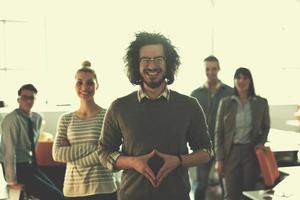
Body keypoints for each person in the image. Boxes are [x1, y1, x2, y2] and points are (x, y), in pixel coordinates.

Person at [98, 32, 212, 200]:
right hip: (132, 196)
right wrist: (133, 162)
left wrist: (178, 160)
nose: (152, 65)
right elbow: (104, 151)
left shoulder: (189, 105)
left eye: (159, 59)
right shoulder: (119, 107)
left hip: (177, 196)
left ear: (169, 63)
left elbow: (206, 151)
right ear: (136, 64)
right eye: (145, 60)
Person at [52, 61, 118, 200]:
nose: (84, 87)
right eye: (79, 82)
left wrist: (73, 155)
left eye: (90, 82)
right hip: (73, 191)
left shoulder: (108, 116)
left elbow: (110, 152)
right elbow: (57, 154)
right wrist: (96, 147)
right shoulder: (65, 119)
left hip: (103, 189)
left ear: (97, 85)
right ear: (74, 85)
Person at [0, 84, 64, 200]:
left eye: (32, 98)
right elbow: (8, 152)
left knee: (59, 190)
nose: (28, 101)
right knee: (56, 196)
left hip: (31, 166)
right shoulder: (11, 120)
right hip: (17, 167)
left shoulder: (37, 118)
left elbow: (33, 144)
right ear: (18, 100)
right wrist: (12, 181)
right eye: (25, 97)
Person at [214, 67, 270, 200]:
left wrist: (261, 142)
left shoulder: (261, 103)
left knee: (249, 193)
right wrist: (219, 159)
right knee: (231, 194)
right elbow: (218, 132)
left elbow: (266, 126)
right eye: (238, 77)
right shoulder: (225, 103)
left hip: (251, 152)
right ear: (234, 81)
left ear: (250, 81)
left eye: (245, 77)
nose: (241, 81)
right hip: (230, 152)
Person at [190, 55, 233, 200]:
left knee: (226, 185)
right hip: (203, 146)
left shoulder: (230, 92)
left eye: (214, 69)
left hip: (225, 146)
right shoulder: (195, 94)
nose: (210, 72)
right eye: (207, 69)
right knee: (200, 185)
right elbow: (191, 121)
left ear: (219, 69)